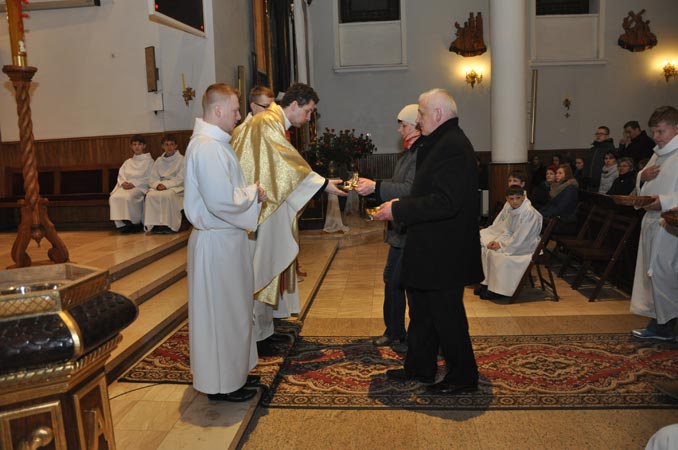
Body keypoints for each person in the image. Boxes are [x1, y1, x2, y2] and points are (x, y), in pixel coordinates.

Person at [376, 88, 482, 395]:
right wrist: (400, 205)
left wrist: (398, 209)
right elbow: (426, 193)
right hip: (430, 247)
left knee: (447, 316)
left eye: (421, 114)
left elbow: (446, 202)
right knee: (423, 313)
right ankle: (420, 367)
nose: (418, 119)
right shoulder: (439, 142)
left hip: (444, 251)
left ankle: (463, 376)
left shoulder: (453, 146)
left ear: (437, 113)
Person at [232, 83, 346, 347]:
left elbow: (280, 166)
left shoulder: (270, 121)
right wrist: (322, 184)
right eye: (308, 111)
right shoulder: (267, 122)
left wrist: (321, 183)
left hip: (266, 203)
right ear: (294, 105)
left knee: (268, 266)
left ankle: (265, 329)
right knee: (262, 267)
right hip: (261, 208)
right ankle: (258, 336)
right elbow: (287, 163)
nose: (308, 118)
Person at [184, 83, 267, 402]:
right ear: (217, 110)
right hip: (216, 243)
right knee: (221, 315)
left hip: (225, 240)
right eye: (234, 110)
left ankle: (234, 373)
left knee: (233, 310)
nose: (239, 115)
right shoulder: (206, 147)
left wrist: (249, 193)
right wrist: (252, 192)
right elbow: (220, 200)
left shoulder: (215, 144)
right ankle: (222, 384)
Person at [355, 104, 423, 354]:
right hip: (399, 230)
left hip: (412, 230)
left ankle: (415, 336)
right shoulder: (407, 153)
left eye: (403, 125)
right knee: (390, 280)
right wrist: (375, 192)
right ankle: (394, 330)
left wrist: (376, 186)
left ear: (416, 126)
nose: (399, 130)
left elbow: (410, 189)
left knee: (406, 284)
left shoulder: (421, 154)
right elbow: (397, 184)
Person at [630, 106, 678, 341]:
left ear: (676, 128)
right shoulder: (659, 153)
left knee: (664, 273)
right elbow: (646, 180)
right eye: (654, 131)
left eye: (661, 131)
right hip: (651, 221)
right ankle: (661, 322)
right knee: (652, 274)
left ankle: (667, 326)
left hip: (671, 225)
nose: (656, 137)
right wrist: (642, 176)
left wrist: (665, 201)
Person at [477, 185, 542, 300]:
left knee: (497, 256)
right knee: (487, 250)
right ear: (507, 199)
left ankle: (499, 291)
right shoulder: (513, 210)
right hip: (515, 242)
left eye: (518, 198)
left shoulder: (529, 213)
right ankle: (487, 284)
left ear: (523, 197)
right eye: (511, 199)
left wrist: (501, 245)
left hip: (526, 245)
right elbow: (508, 231)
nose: (515, 201)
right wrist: (497, 242)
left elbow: (522, 237)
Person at [109, 135, 154, 233]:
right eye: (134, 144)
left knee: (128, 197)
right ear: (131, 146)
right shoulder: (128, 162)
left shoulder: (149, 161)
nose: (137, 147)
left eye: (139, 144)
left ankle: (134, 222)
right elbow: (121, 174)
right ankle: (123, 224)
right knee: (114, 197)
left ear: (144, 146)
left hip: (140, 187)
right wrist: (123, 182)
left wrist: (134, 184)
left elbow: (149, 177)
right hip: (126, 187)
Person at [143, 134, 185, 233]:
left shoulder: (181, 159)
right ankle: (155, 225)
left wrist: (166, 185)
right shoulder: (159, 160)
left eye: (171, 144)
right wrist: (157, 185)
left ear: (176, 146)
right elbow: (153, 177)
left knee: (168, 195)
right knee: (150, 195)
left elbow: (181, 178)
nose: (169, 147)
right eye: (166, 144)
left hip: (176, 187)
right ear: (162, 146)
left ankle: (170, 225)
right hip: (160, 186)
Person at [539, 164, 579, 235]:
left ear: (567, 175)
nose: (557, 175)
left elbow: (561, 208)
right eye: (557, 173)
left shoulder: (570, 189)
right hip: (555, 219)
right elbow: (550, 205)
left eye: (560, 173)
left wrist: (543, 215)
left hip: (563, 222)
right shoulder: (559, 187)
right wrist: (540, 213)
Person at [584, 126, 615, 192]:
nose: (598, 136)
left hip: (602, 182)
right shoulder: (592, 149)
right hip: (589, 182)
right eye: (597, 134)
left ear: (607, 136)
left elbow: (611, 167)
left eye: (601, 134)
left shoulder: (610, 149)